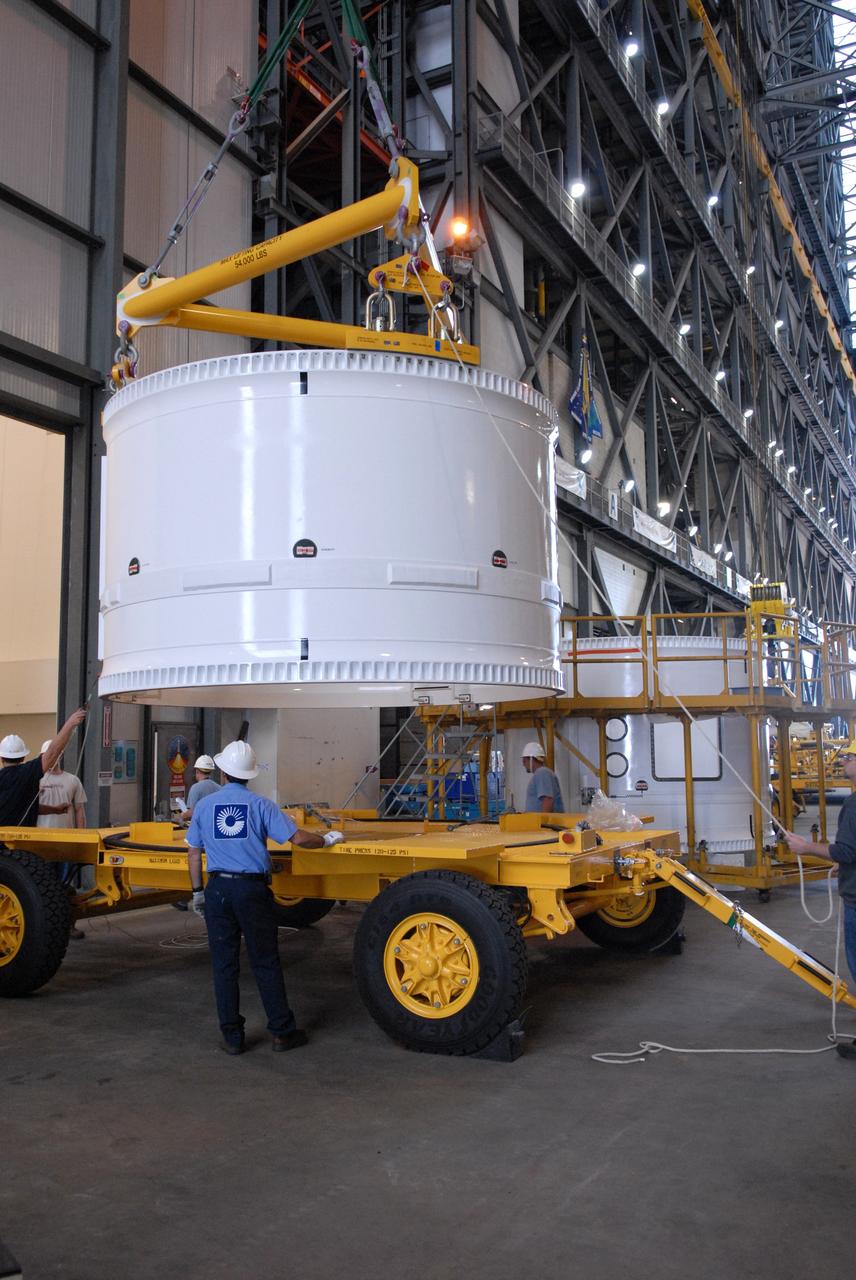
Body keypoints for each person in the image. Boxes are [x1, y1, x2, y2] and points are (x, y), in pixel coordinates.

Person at [186, 740, 345, 1055]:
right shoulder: (261, 805)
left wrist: (197, 892)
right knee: (265, 961)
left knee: (224, 965)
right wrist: (326, 839)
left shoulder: (204, 807)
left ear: (222, 772)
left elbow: (193, 852)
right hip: (252, 891)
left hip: (218, 890)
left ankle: (232, 1037)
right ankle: (282, 1032)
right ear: (250, 775)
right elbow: (298, 838)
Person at [784, 737, 856, 1060]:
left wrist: (806, 848)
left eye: (850, 757)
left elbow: (846, 850)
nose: (843, 761)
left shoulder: (853, 806)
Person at [0, 708, 87, 829]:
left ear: (1, 758)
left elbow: (28, 808)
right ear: (23, 757)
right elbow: (52, 752)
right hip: (21, 844)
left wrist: (55, 810)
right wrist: (70, 723)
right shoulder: (27, 772)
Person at [37, 740, 89, 939]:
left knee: (66, 887)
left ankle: (69, 926)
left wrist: (82, 840)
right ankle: (44, 928)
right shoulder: (35, 780)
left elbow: (79, 811)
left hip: (65, 845)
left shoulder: (72, 781)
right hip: (40, 845)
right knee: (42, 886)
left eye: (55, 754)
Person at [521, 741, 564, 813]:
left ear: (531, 759)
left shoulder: (542, 773)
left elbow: (547, 800)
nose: (523, 764)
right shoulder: (542, 773)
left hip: (543, 823)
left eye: (524, 761)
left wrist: (542, 823)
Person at [181, 754, 221, 826]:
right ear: (210, 771)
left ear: (197, 771)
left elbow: (192, 813)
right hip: (215, 827)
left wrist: (183, 815)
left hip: (201, 829)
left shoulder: (195, 788)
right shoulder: (219, 787)